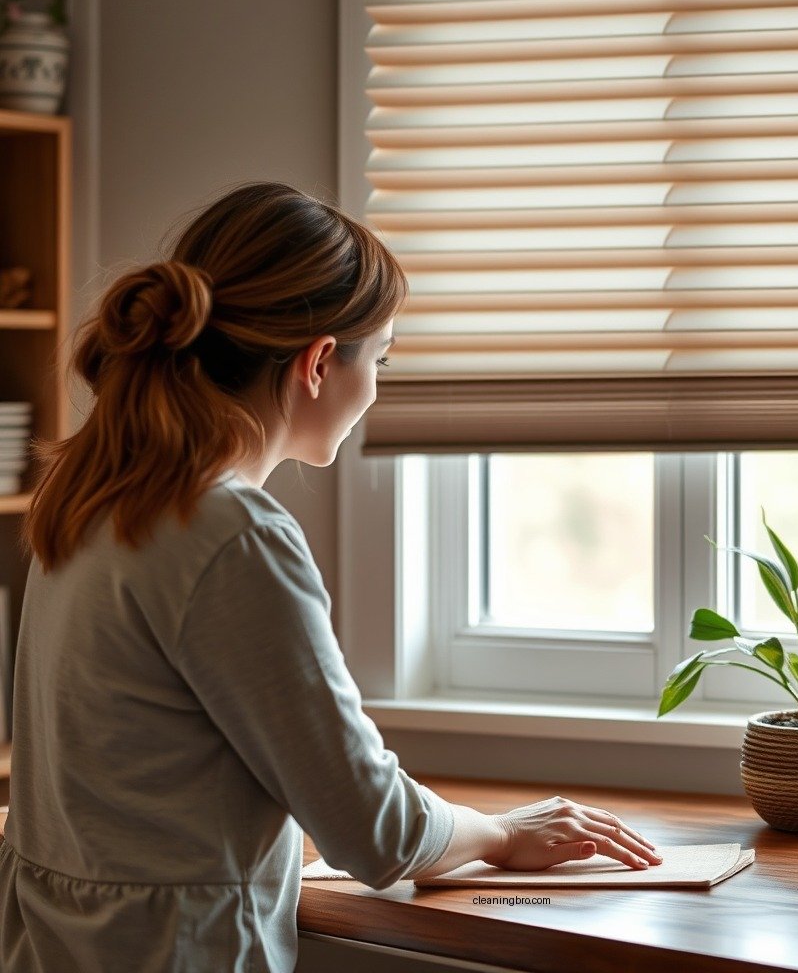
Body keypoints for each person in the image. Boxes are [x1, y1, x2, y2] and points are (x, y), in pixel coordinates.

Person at [0, 181, 662, 972]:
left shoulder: (89, 500)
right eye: (379, 359)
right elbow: (373, 830)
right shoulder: (230, 532)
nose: (377, 389)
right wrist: (505, 833)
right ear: (318, 364)